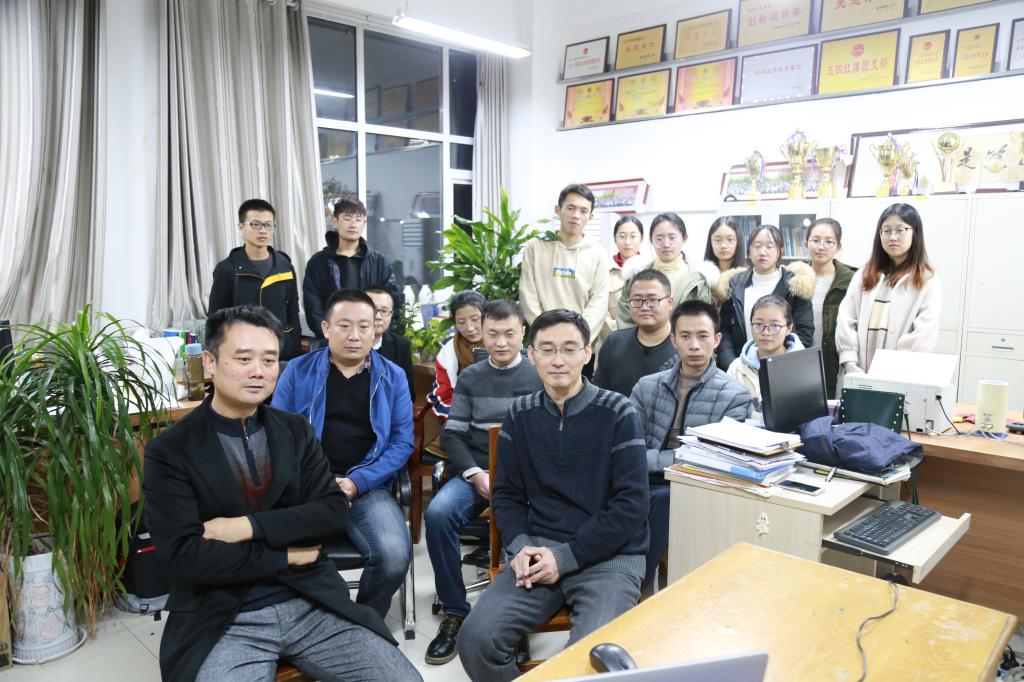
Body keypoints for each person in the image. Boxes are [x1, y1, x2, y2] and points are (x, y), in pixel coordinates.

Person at [143, 306, 419, 682]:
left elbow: (331, 512)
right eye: (244, 359)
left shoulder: (295, 431)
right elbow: (185, 557)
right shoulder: (171, 451)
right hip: (224, 615)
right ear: (209, 362)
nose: (258, 371)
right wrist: (286, 555)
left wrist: (245, 527)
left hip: (311, 600)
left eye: (269, 360)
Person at [456, 310, 649, 681]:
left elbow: (631, 507)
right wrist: (521, 546)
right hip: (537, 551)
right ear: (531, 355)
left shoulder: (619, 412)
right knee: (476, 641)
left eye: (569, 348)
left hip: (609, 558)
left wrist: (564, 557)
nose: (558, 360)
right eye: (547, 349)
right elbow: (506, 495)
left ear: (587, 353)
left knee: (590, 663)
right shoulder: (521, 414)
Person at [271, 289, 413, 619]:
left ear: (375, 328)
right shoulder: (297, 371)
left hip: (367, 487)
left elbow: (402, 443)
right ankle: (315, 623)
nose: (354, 335)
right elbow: (279, 435)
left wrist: (356, 483)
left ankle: (362, 623)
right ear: (326, 328)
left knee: (394, 557)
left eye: (363, 326)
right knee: (285, 553)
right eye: (344, 326)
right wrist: (319, 483)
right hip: (308, 488)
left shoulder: (393, 376)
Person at [424, 300, 542, 666]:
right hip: (479, 473)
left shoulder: (539, 374)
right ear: (481, 334)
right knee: (438, 515)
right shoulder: (472, 377)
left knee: (530, 522)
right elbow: (453, 434)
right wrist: (476, 474)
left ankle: (513, 620)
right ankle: (455, 611)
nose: (501, 342)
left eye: (509, 334)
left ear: (523, 333)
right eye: (493, 334)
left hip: (527, 479)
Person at [629, 300, 752, 590]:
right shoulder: (647, 386)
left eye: (702, 336)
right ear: (673, 340)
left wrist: (649, 459)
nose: (694, 345)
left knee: (663, 499)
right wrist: (645, 461)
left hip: (694, 487)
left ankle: (636, 585)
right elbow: (626, 445)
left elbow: (709, 459)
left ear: (717, 340)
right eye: (685, 336)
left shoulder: (735, 396)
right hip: (639, 480)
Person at [836, 203, 941, 378]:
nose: (892, 237)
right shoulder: (864, 274)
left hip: (901, 375)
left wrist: (893, 370)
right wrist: (850, 363)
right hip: (857, 372)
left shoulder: (927, 279)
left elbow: (924, 334)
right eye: (886, 230)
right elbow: (846, 319)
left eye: (900, 230)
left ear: (915, 233)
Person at [519, 184, 610, 350]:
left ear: (590, 216)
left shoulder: (598, 253)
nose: (576, 215)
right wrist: (546, 333)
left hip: (580, 344)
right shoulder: (536, 247)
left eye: (583, 211)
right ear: (558, 209)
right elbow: (528, 295)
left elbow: (599, 302)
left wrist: (578, 337)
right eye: (570, 208)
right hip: (544, 341)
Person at [208, 199, 301, 360]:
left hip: (280, 351)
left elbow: (293, 311)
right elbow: (215, 318)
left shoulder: (284, 265)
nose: (263, 230)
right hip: (242, 353)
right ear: (241, 227)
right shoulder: (227, 269)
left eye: (268, 225)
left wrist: (293, 346)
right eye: (256, 224)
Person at [716, 224, 814, 369]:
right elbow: (724, 331)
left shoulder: (795, 285)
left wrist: (784, 364)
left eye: (769, 246)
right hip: (740, 367)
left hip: (782, 367)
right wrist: (732, 364)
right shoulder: (735, 284)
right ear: (749, 251)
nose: (762, 252)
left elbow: (804, 333)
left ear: (780, 251)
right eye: (757, 246)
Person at [302, 197, 398, 342]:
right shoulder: (318, 262)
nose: (353, 224)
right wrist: (330, 336)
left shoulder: (379, 262)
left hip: (371, 340)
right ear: (335, 221)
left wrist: (374, 336)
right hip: (331, 341)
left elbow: (391, 303)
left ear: (364, 224)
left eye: (358, 219)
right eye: (347, 219)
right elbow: (313, 308)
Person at [615, 212, 710, 328]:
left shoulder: (697, 281)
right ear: (651, 240)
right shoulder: (636, 276)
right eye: (659, 239)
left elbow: (700, 323)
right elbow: (625, 318)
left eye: (672, 238)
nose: (666, 244)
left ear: (684, 238)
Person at [593, 269, 676, 397]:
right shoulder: (614, 342)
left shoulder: (684, 347)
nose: (644, 307)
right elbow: (599, 394)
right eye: (637, 300)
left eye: (652, 300)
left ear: (670, 303)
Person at [804, 218, 856, 397]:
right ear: (807, 243)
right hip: (799, 358)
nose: (821, 246)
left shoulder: (852, 280)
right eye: (815, 240)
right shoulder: (793, 276)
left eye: (829, 242)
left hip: (836, 361)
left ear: (838, 247)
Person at [727, 295, 805, 406]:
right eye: (758, 324)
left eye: (775, 326)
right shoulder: (736, 368)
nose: (766, 332)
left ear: (788, 328)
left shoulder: (803, 367)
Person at [426, 290, 486, 419]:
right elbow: (443, 398)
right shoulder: (448, 351)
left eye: (475, 319)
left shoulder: (502, 345)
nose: (470, 328)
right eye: (461, 322)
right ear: (454, 323)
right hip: (460, 421)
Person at [364, 286, 414, 401]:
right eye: (373, 310)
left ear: (391, 314)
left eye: (384, 311)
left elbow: (408, 395)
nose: (378, 317)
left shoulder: (401, 346)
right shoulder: (336, 344)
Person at [604, 216, 644, 337]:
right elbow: (601, 310)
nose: (627, 242)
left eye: (633, 236)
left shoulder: (651, 269)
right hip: (613, 336)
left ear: (641, 239)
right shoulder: (604, 270)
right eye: (622, 236)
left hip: (645, 335)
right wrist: (620, 335)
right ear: (615, 239)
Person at [698, 216, 742, 303]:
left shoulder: (746, 276)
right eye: (718, 240)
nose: (723, 246)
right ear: (710, 242)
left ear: (738, 241)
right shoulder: (701, 276)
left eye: (730, 239)